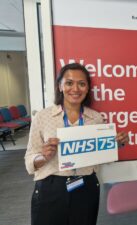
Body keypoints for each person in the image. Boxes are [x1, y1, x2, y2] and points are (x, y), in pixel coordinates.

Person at [25, 63, 129, 225]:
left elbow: (101, 156)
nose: (75, 89)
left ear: (87, 88)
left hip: (85, 185)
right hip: (52, 187)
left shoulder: (95, 118)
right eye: (69, 83)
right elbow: (29, 161)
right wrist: (43, 157)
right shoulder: (43, 117)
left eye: (81, 84)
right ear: (60, 86)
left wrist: (117, 144)